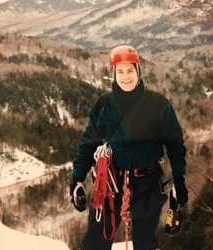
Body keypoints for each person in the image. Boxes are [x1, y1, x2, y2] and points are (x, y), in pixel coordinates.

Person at [70, 44, 188, 250]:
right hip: (110, 184)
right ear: (113, 74)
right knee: (95, 243)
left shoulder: (158, 105)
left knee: (145, 243)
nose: (126, 77)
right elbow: (88, 143)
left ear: (138, 71)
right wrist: (76, 179)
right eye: (120, 71)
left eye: (130, 70)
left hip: (147, 182)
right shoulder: (104, 104)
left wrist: (179, 179)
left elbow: (175, 144)